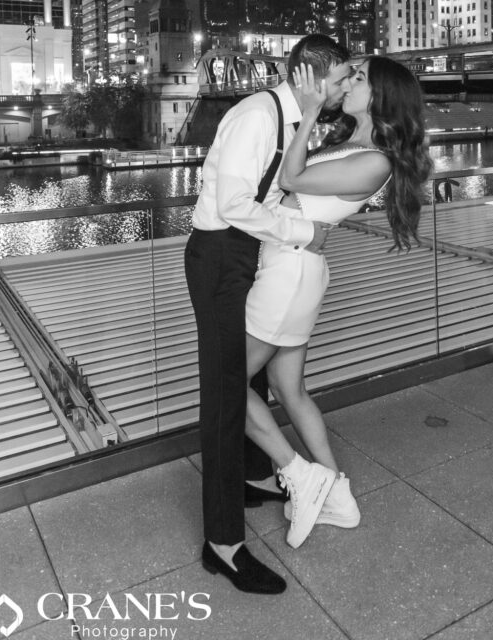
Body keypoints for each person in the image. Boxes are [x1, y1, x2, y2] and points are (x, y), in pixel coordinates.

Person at [184, 34, 352, 595]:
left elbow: (274, 194)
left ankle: (254, 475)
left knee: (252, 375)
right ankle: (223, 545)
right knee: (227, 389)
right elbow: (233, 204)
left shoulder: (290, 122)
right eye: (339, 78)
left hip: (246, 251)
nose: (343, 88)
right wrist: (305, 232)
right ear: (308, 74)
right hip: (219, 257)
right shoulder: (256, 115)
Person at [244, 56, 433, 542]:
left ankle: (300, 474)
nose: (349, 81)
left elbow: (291, 181)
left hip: (290, 272)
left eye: (360, 78)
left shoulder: (376, 161)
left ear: (382, 96)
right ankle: (338, 499)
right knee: (289, 390)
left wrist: (307, 113)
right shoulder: (353, 141)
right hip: (291, 263)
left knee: (225, 380)